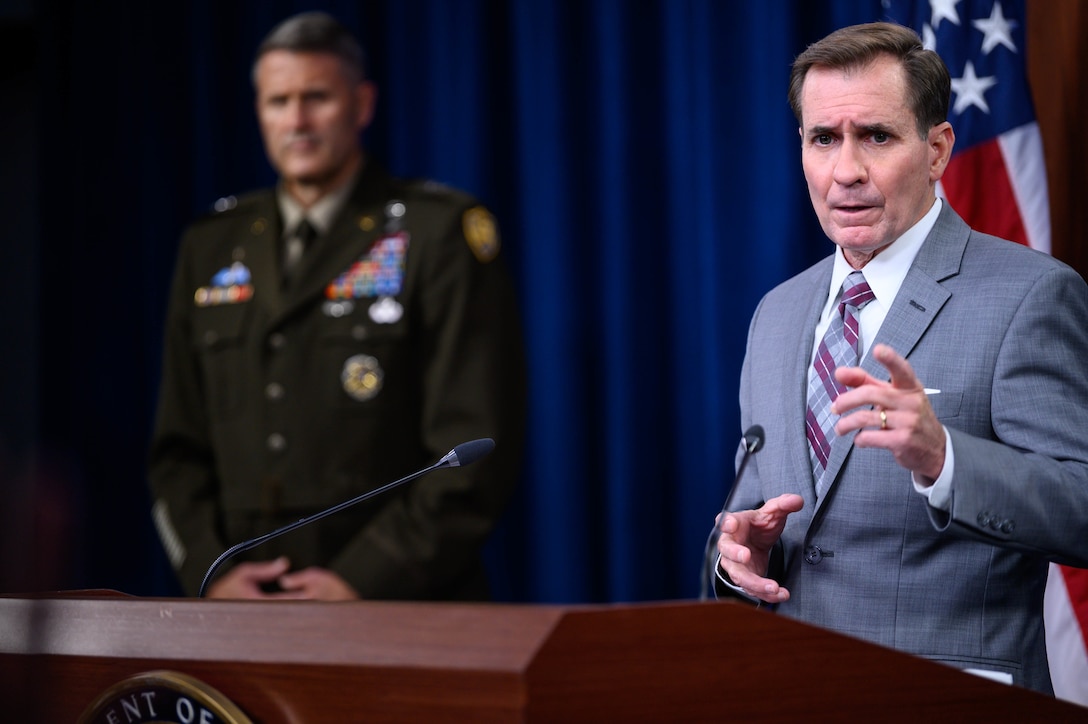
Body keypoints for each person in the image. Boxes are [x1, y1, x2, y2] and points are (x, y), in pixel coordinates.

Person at [713, 22, 1088, 694]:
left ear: (938, 149)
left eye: (876, 137)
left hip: (950, 699)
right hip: (793, 692)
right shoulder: (776, 314)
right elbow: (748, 511)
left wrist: (947, 460)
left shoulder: (1030, 295)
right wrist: (736, 556)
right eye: (824, 138)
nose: (846, 169)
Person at [148, 11, 526, 601]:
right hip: (237, 615)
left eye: (316, 97)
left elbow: (475, 451)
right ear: (258, 111)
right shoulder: (211, 244)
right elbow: (176, 453)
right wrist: (213, 574)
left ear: (363, 104)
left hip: (398, 605)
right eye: (278, 101)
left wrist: (362, 579)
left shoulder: (437, 233)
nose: (296, 120)